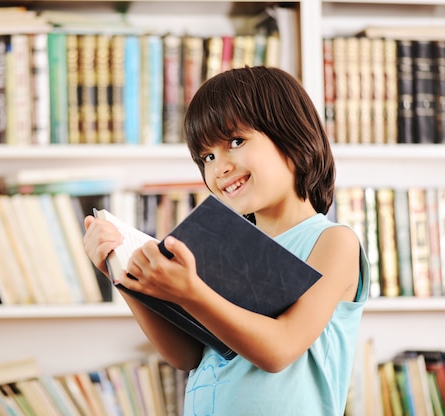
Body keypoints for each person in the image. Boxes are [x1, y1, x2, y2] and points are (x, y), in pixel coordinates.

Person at [83, 66, 369, 415]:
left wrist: (192, 292)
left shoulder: (332, 242)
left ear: (292, 136)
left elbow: (279, 349)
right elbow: (187, 356)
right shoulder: (222, 248)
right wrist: (126, 277)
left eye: (235, 142)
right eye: (207, 157)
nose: (219, 168)